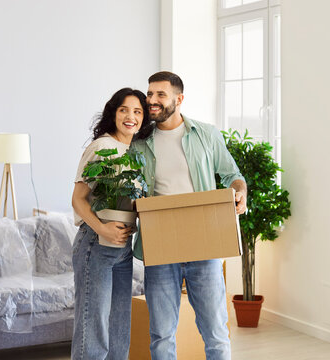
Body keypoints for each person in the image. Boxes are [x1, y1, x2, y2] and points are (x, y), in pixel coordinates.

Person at [131, 71, 247, 360]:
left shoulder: (206, 134)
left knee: (216, 333)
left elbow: (233, 175)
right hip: (160, 247)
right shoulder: (139, 142)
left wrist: (240, 191)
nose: (152, 101)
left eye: (160, 94)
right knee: (161, 335)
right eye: (150, 94)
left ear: (179, 99)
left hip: (204, 246)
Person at [71, 87, 152, 360]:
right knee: (93, 327)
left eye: (138, 111)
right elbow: (78, 200)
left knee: (119, 327)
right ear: (113, 113)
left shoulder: (137, 152)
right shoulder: (102, 147)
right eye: (124, 110)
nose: (131, 117)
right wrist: (103, 228)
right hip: (97, 244)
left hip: (123, 247)